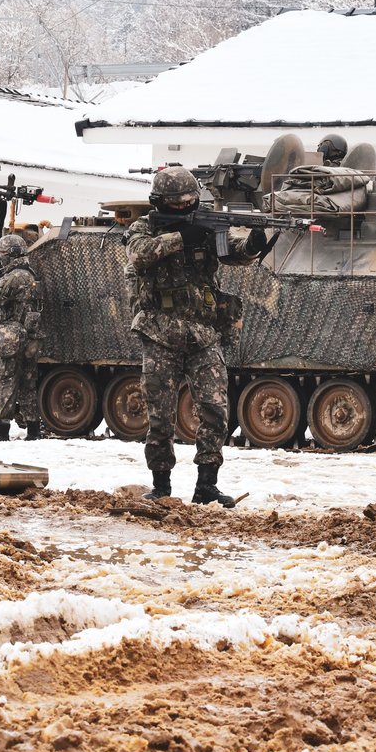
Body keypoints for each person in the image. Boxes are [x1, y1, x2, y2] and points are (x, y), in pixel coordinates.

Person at [125, 166, 270, 505]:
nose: (186, 207)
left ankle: (206, 484)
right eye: (178, 203)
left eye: (191, 201)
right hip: (160, 333)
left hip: (203, 335)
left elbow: (234, 252)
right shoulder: (143, 227)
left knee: (215, 410)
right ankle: (161, 486)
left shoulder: (204, 225)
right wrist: (181, 238)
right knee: (161, 416)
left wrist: (254, 242)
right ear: (160, 203)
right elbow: (139, 254)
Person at [0, 234, 44, 441]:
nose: (1, 258)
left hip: (11, 337)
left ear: (12, 254)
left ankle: (2, 430)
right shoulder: (30, 274)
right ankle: (33, 430)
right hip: (30, 337)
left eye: (3, 254)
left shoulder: (14, 277)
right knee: (27, 383)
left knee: (5, 381)